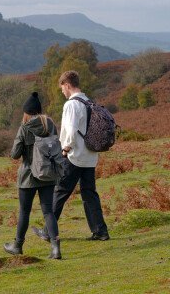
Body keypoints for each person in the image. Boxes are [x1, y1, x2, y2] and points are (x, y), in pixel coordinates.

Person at [33, 70, 110, 243]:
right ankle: (100, 231)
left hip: (74, 156)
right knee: (89, 193)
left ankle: (47, 231)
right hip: (90, 156)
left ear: (67, 85)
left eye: (62, 88)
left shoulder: (71, 105)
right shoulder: (88, 102)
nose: (62, 92)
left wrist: (65, 149)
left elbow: (71, 129)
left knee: (60, 191)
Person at [3, 92, 61, 260]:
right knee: (48, 211)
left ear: (27, 112)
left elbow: (15, 154)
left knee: (24, 212)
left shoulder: (24, 127)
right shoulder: (50, 125)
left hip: (28, 175)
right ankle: (56, 249)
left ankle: (17, 246)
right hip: (48, 173)